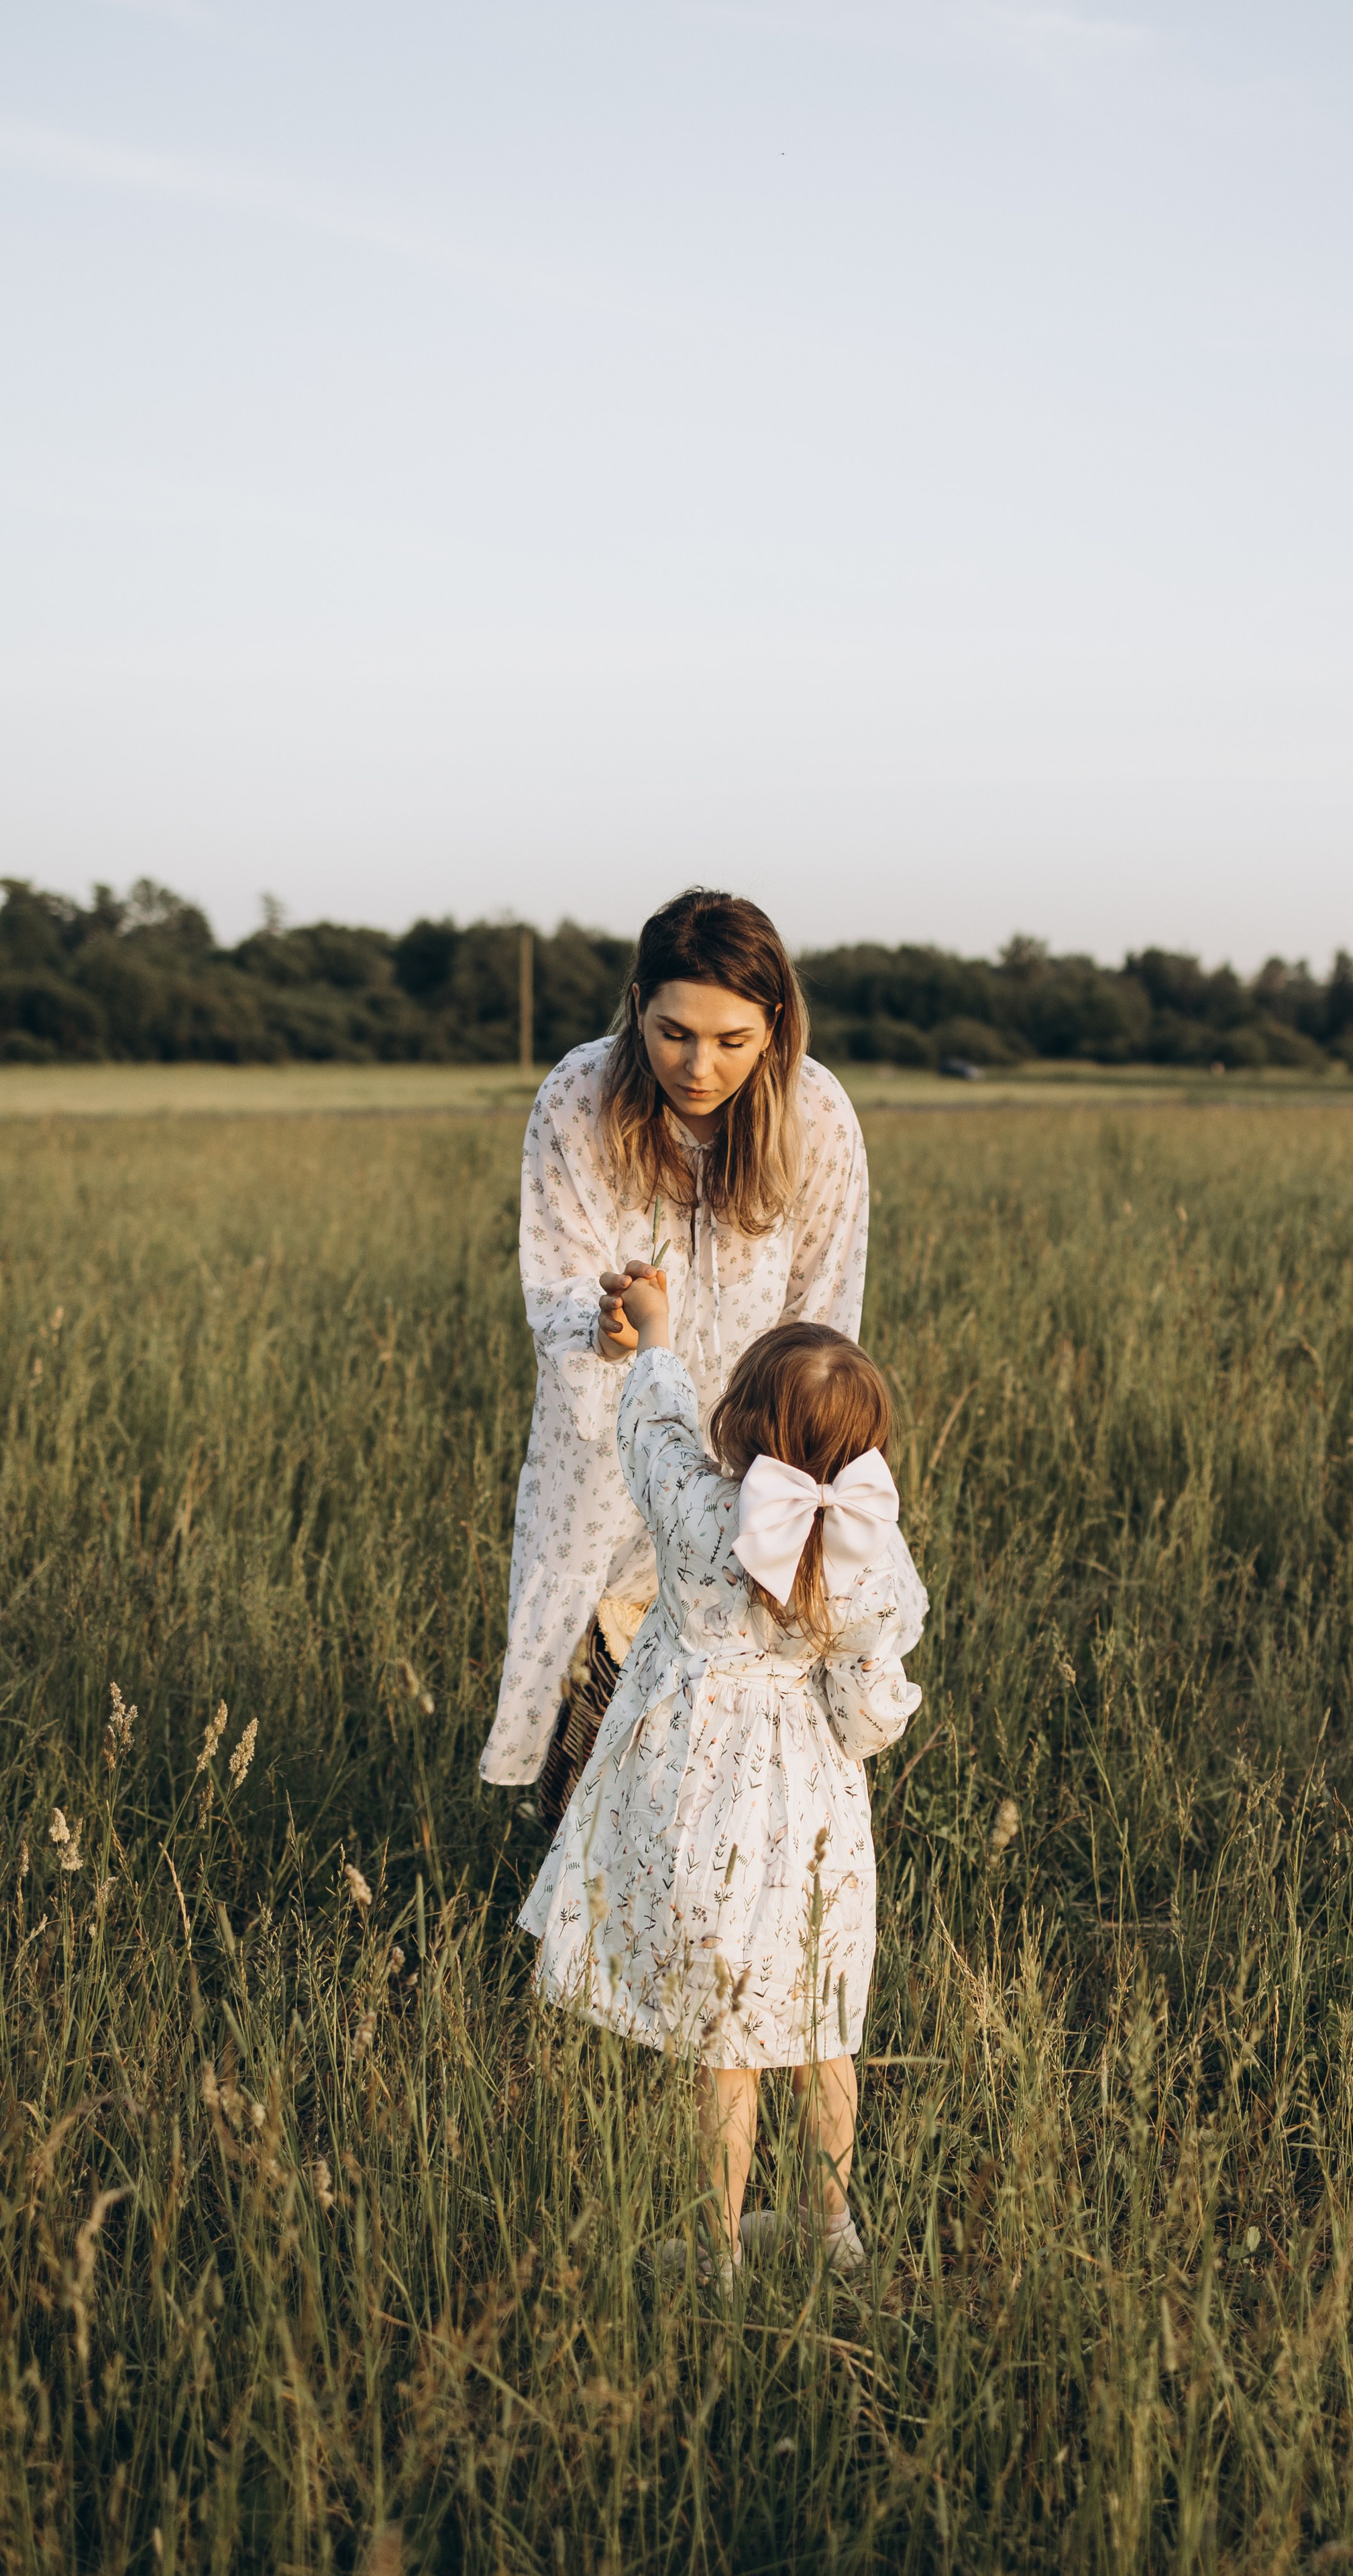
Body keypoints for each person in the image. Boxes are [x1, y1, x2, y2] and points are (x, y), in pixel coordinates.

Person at [517, 1283, 927, 2286]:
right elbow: (871, 1711)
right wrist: (843, 1717)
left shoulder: (702, 1514)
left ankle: (719, 2250)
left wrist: (654, 1333)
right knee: (825, 2022)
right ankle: (833, 2231)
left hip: (698, 1812)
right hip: (816, 1823)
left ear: (741, 1426)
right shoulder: (867, 1559)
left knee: (726, 2046)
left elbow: (652, 1428)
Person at [479, 889, 870, 1798]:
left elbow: (825, 1313)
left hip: (758, 1444)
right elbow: (559, 1282)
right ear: (636, 1004)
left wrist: (789, 1462)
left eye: (732, 1041)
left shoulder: (817, 1113)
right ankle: (574, 1889)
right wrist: (607, 1330)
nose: (699, 1066)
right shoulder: (578, 1096)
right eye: (673, 1033)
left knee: (737, 1684)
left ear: (774, 1026)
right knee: (588, 1670)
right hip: (605, 1441)